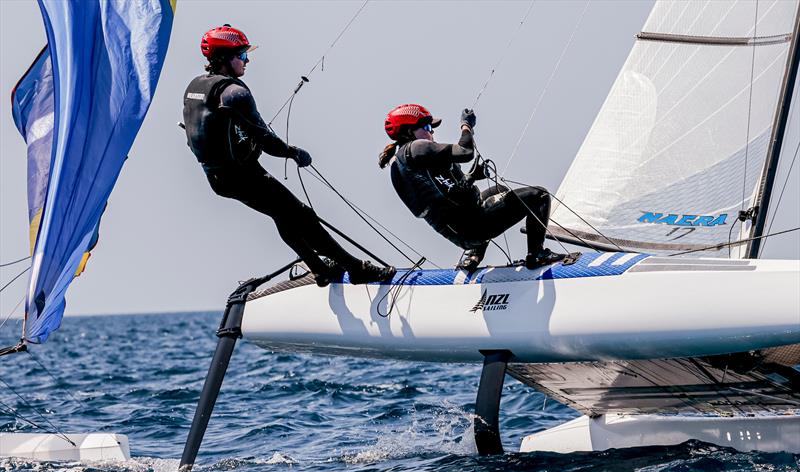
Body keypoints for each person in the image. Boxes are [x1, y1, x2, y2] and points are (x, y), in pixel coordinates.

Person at [182, 25, 395, 286]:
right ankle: (356, 269)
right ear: (225, 58)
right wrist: (294, 153)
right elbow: (269, 142)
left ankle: (319, 269)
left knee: (283, 214)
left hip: (216, 178)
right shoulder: (235, 93)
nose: (247, 61)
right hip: (241, 176)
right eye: (242, 55)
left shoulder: (195, 86)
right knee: (302, 215)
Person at [378, 103, 563, 271]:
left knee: (498, 189)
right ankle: (536, 255)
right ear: (409, 132)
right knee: (539, 196)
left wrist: (472, 177)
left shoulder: (401, 164)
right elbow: (465, 152)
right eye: (427, 127)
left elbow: (448, 196)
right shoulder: (417, 148)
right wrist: (466, 125)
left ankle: (474, 256)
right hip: (475, 227)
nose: (431, 133)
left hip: (460, 232)